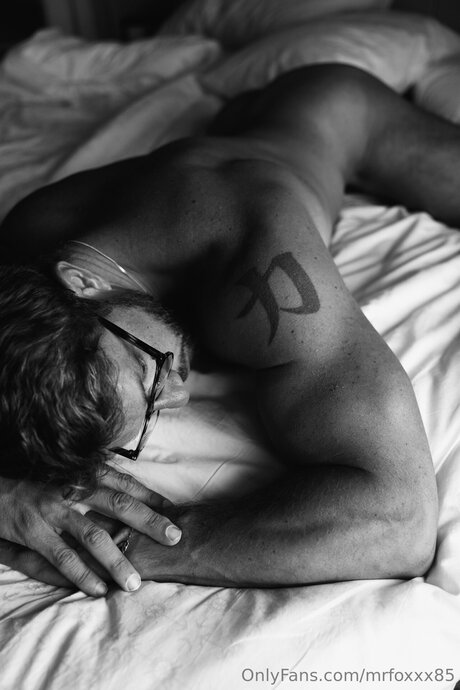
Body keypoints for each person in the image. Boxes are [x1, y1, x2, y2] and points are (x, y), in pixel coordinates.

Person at [3, 62, 456, 593]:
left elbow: (400, 522)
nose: (177, 396)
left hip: (336, 113)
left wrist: (132, 546)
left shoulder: (257, 263)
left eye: (150, 371)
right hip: (218, 149)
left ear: (81, 283)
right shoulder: (20, 256)